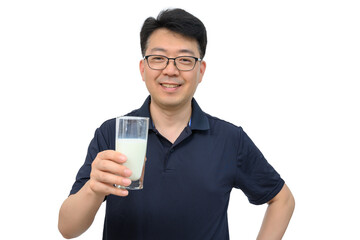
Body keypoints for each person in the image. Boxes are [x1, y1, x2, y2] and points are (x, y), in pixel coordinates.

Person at [58, 8, 295, 240]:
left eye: (184, 60)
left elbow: (282, 199)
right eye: (158, 58)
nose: (170, 70)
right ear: (143, 68)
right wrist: (93, 188)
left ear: (201, 71)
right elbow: (68, 229)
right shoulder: (113, 134)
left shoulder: (229, 139)